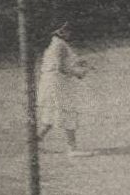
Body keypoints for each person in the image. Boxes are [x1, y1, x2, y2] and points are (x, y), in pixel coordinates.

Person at [36, 23, 90, 157]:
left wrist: (78, 63)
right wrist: (78, 73)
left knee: (52, 112)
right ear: (60, 31)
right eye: (66, 30)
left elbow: (62, 62)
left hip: (52, 82)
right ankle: (72, 149)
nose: (70, 33)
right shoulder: (59, 45)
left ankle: (34, 143)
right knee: (68, 110)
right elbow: (60, 67)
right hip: (57, 83)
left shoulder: (57, 44)